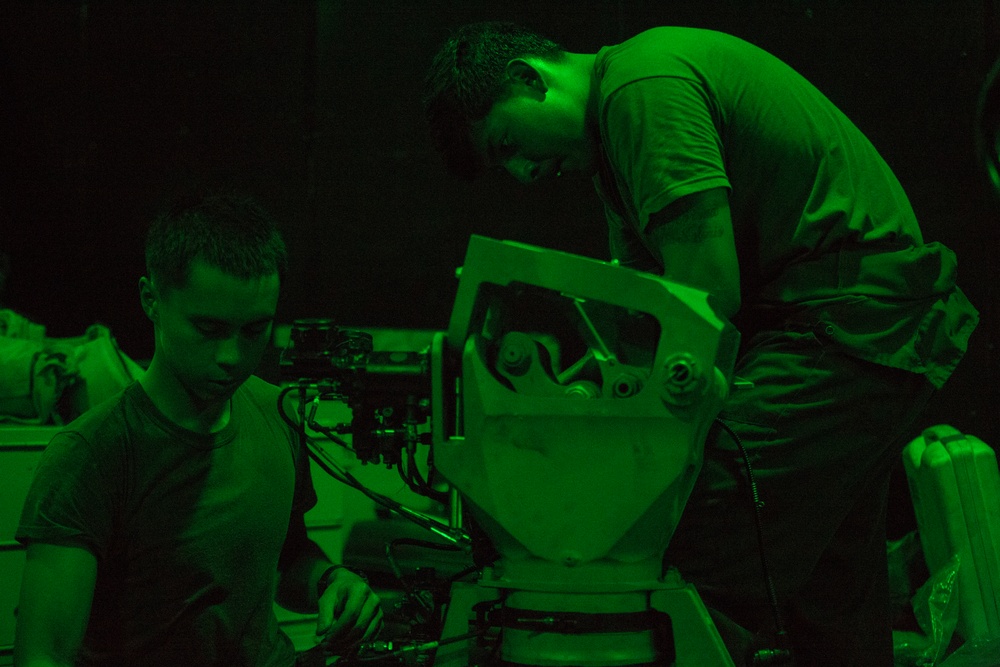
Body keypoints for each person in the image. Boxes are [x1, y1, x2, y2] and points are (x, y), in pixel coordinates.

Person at [422, 22, 979, 666]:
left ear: (529, 78)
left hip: (845, 325)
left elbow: (704, 296)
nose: (522, 173)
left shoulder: (642, 89)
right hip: (852, 330)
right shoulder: (617, 137)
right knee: (828, 595)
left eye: (509, 142)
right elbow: (644, 323)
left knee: (685, 541)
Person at [14, 195, 383, 666]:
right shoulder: (91, 455)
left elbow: (286, 555)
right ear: (151, 299)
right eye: (208, 328)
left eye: (254, 331)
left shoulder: (277, 412)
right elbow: (43, 653)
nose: (231, 357)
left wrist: (332, 582)